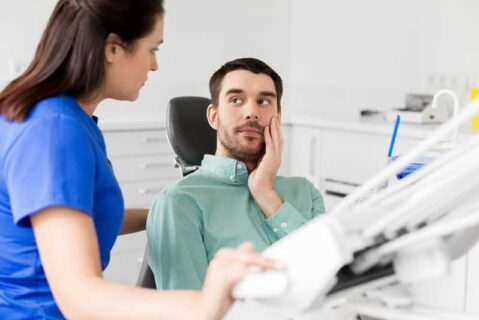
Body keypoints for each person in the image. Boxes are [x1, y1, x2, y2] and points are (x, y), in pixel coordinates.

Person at [0, 1, 278, 319]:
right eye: (152, 49)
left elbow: (78, 222)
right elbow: (78, 297)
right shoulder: (55, 130)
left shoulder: (61, 119)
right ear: (113, 48)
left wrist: (175, 211)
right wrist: (204, 302)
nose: (154, 65)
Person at [147, 57, 326, 290]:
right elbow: (186, 309)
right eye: (236, 100)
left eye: (263, 101)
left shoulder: (304, 191)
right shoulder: (179, 202)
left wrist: (266, 194)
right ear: (213, 116)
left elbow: (330, 275)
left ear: (278, 120)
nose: (251, 112)